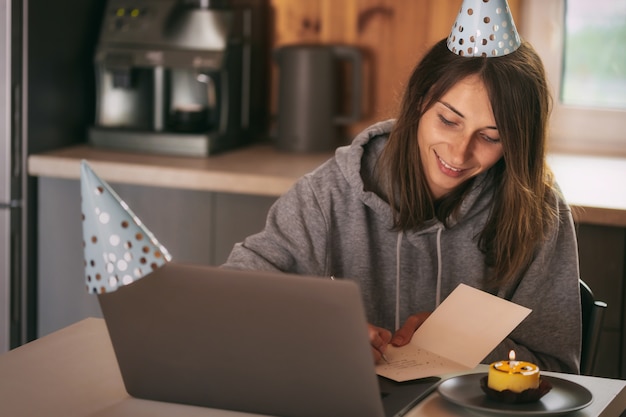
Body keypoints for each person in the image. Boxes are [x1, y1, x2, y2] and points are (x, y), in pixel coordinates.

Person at [223, 3, 581, 374]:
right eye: (448, 120)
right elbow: (233, 295)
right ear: (421, 100)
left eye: (490, 137)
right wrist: (321, 328)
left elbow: (559, 372)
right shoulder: (329, 194)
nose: (459, 153)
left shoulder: (539, 214)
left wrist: (463, 343)